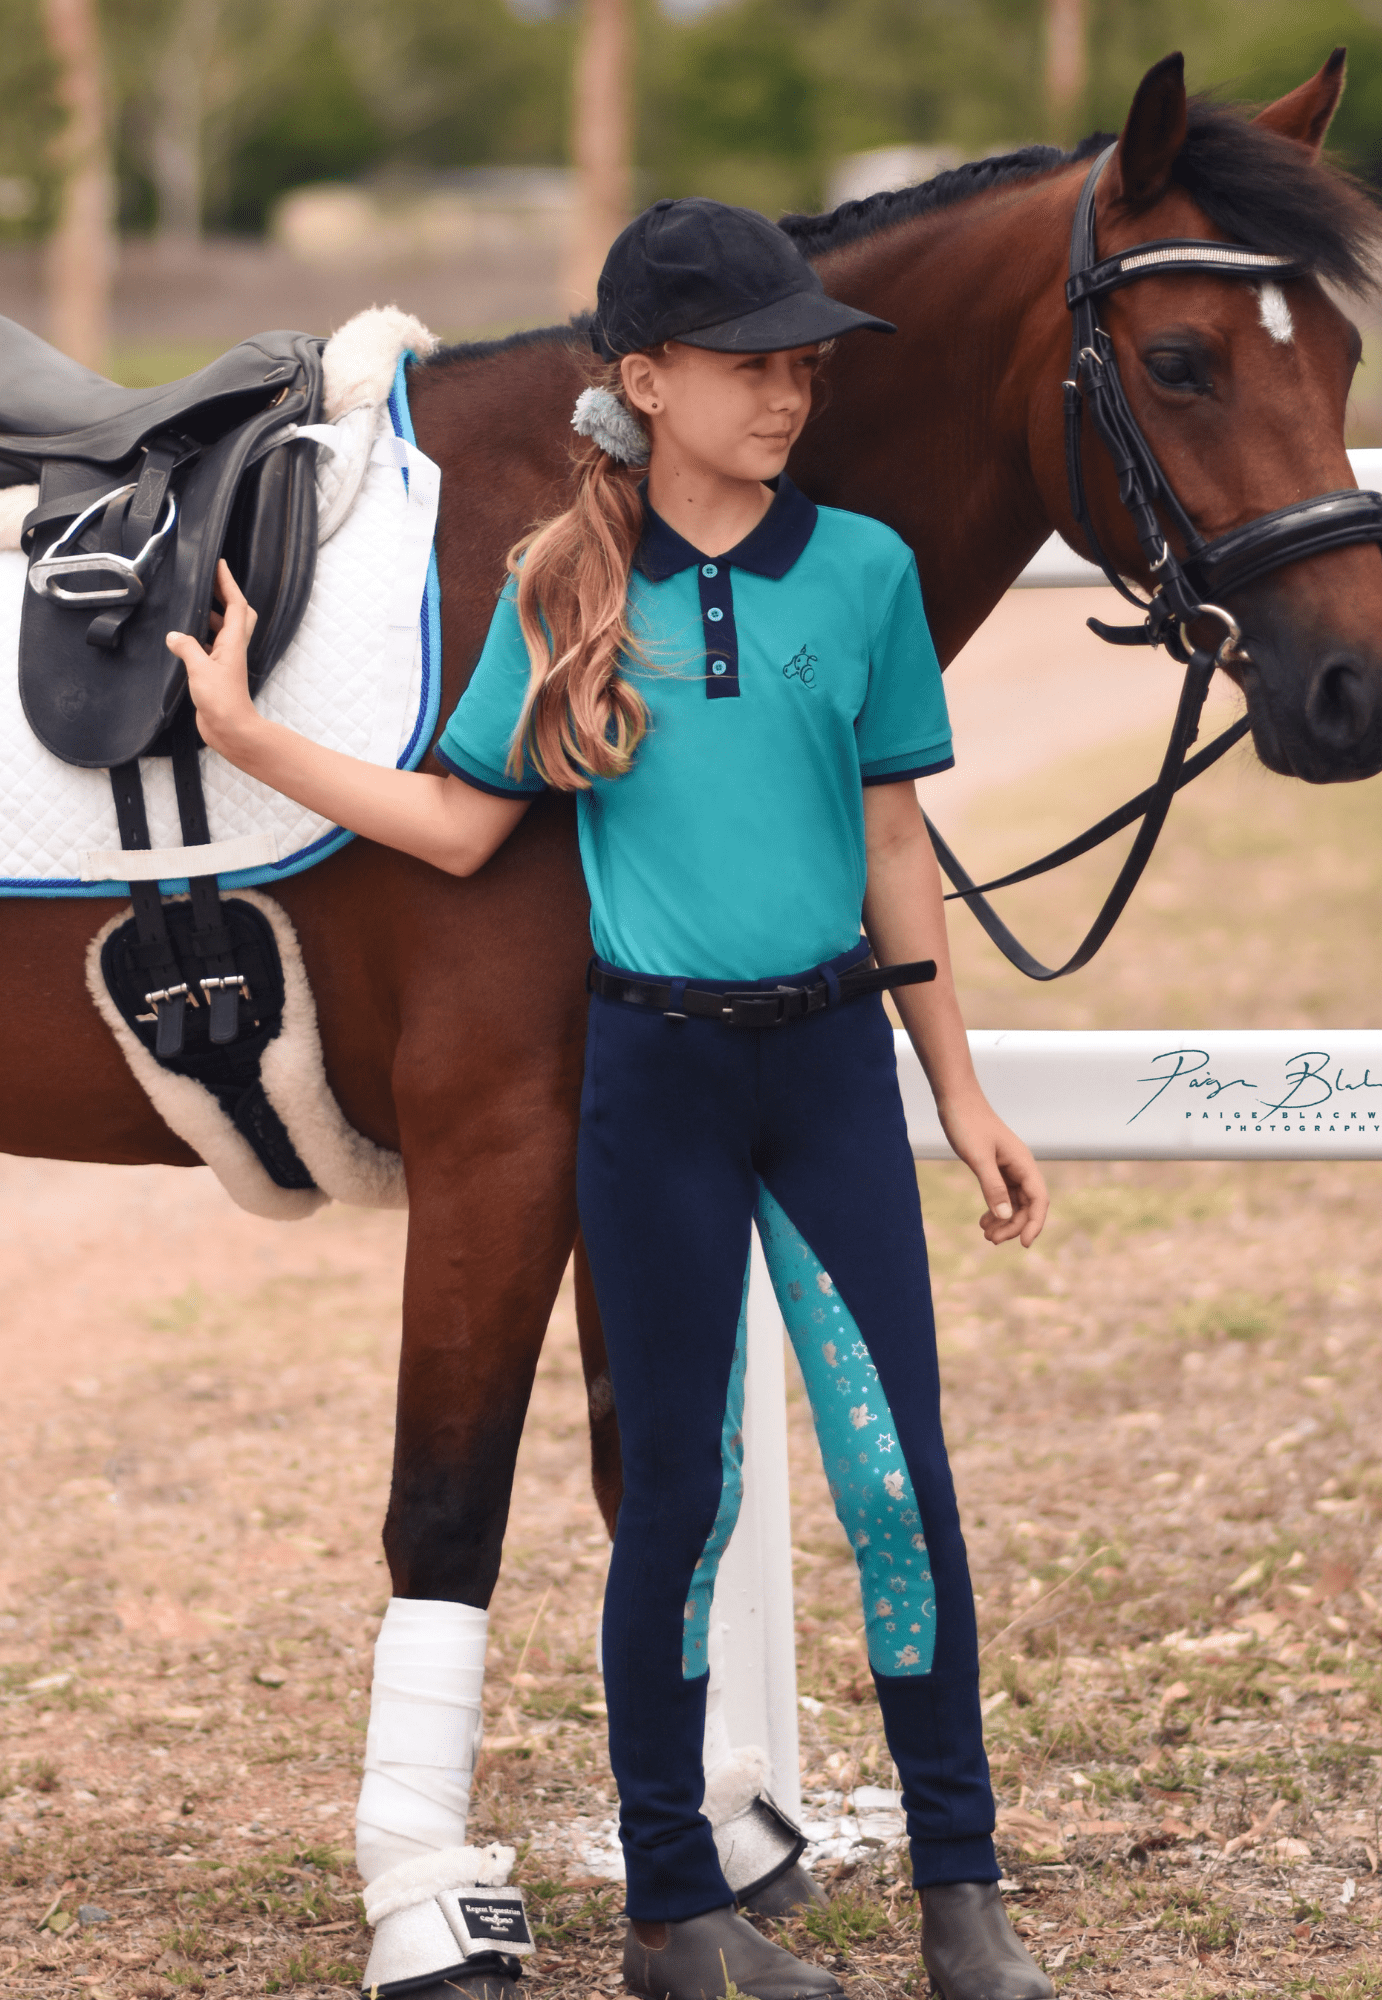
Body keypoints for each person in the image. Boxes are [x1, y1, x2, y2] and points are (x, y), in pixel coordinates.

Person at [170, 197, 1053, 2000]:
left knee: (902, 1488)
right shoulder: (562, 585)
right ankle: (676, 1911)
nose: (790, 394)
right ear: (643, 381)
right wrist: (258, 746)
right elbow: (464, 825)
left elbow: (896, 842)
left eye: (806, 363)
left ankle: (962, 1889)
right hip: (654, 1081)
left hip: (825, 1076)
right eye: (750, 366)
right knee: (683, 1501)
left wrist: (954, 1088)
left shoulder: (867, 573)